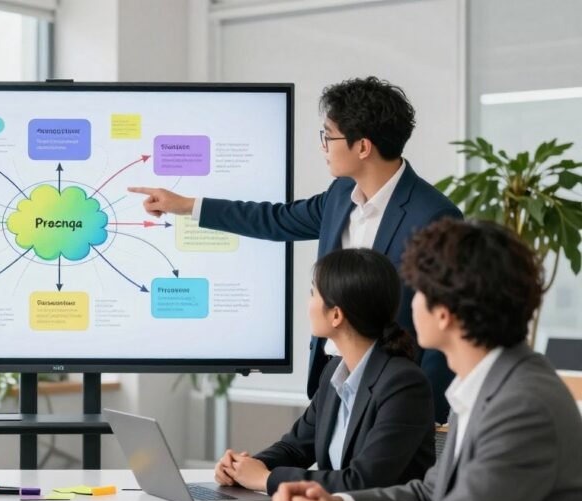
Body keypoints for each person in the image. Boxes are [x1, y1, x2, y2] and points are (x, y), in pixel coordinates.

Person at [130, 77, 461, 423]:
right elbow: (275, 220)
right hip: (332, 376)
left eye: (327, 136)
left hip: (395, 390)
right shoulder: (339, 195)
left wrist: (427, 413)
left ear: (362, 147)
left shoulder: (434, 215)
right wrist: (186, 206)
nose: (323, 147)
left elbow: (446, 322)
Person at [271, 218, 582, 501]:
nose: (409, 303)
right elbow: (430, 493)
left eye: (417, 291)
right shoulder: (488, 385)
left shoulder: (524, 406)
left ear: (444, 314)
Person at [214, 248, 434, 496]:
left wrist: (266, 479)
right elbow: (295, 449)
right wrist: (242, 469)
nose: (308, 304)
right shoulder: (333, 373)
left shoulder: (403, 384)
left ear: (336, 314)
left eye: (312, 294)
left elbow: (362, 482)